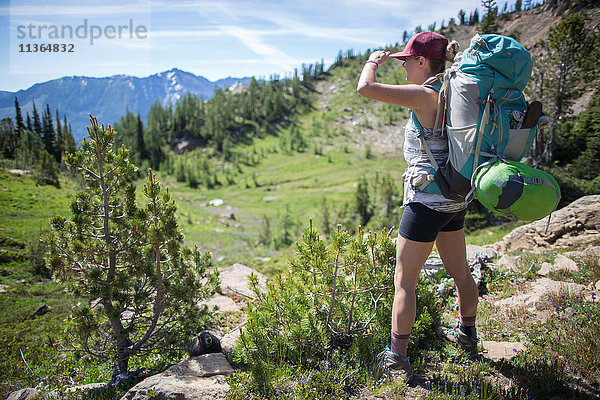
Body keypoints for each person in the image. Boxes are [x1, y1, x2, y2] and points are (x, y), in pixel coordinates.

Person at [357, 32, 479, 382]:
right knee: (461, 273)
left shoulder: (426, 94)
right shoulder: (454, 93)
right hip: (455, 199)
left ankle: (396, 358)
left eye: (407, 60)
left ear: (423, 62)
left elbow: (365, 89)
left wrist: (373, 62)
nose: (404, 66)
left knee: (405, 281)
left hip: (426, 204)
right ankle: (467, 336)